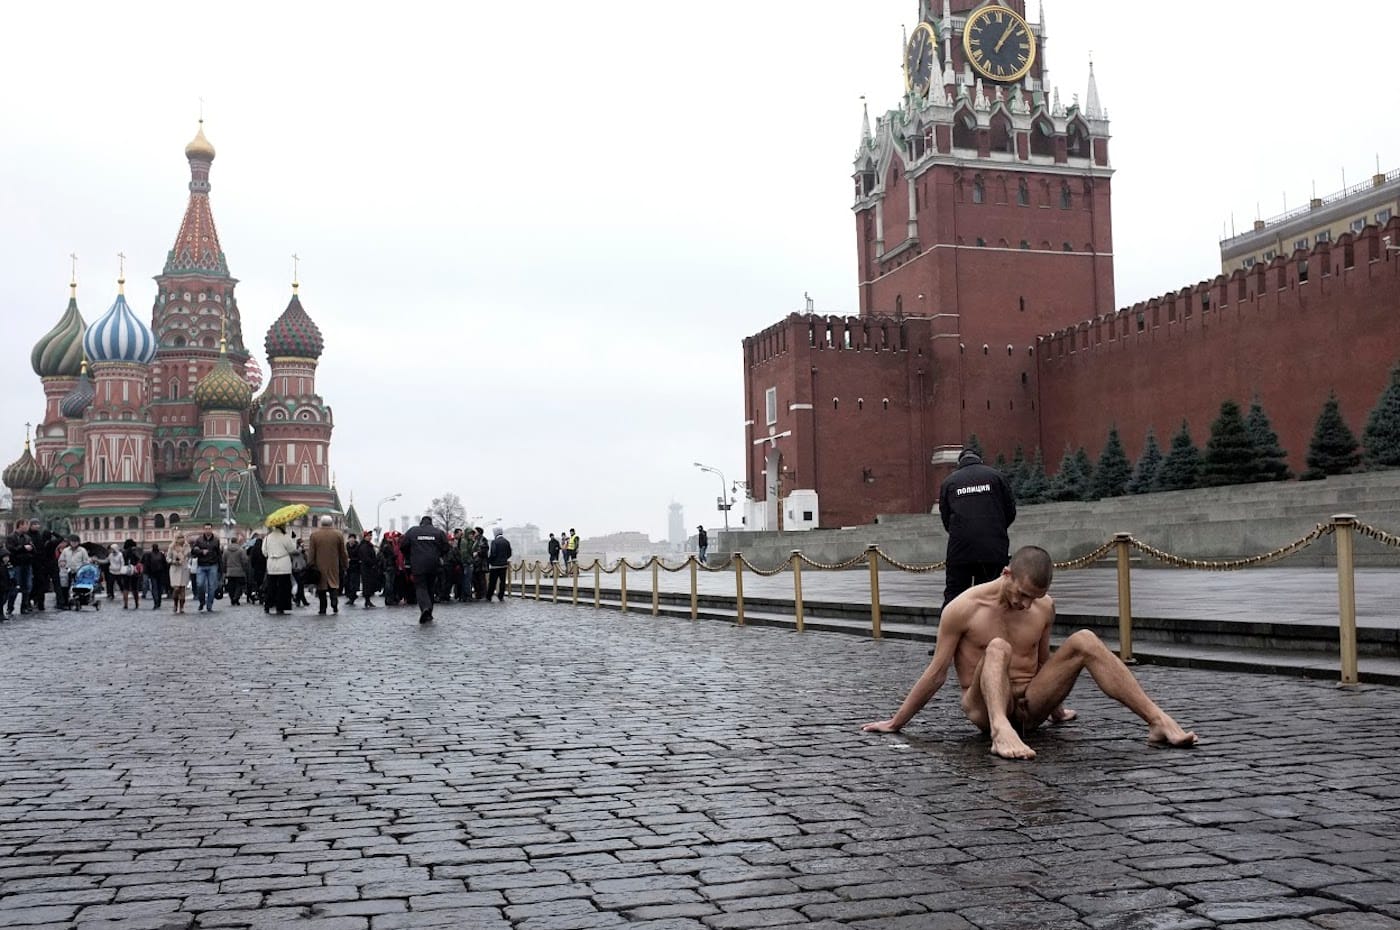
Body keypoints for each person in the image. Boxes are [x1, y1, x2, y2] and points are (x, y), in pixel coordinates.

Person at [862, 546, 1197, 760]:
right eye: (1021, 594)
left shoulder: (1043, 607)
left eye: (1033, 598)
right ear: (1006, 574)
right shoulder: (962, 609)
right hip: (985, 707)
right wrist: (896, 722)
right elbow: (937, 673)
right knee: (997, 646)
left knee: (1085, 639)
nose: (1025, 604)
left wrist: (1057, 711)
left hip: (1031, 704)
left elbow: (1042, 664)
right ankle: (1000, 732)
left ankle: (1158, 721)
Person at [938, 450, 1017, 610]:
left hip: (960, 550)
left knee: (955, 596)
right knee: (993, 595)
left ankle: (951, 632)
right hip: (993, 549)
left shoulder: (949, 482)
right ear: (980, 460)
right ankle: (992, 632)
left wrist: (961, 533)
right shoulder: (997, 477)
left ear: (960, 463)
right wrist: (995, 529)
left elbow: (946, 517)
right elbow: (1010, 511)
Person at [402, 516, 449, 623]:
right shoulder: (438, 532)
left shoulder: (413, 531)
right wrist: (438, 554)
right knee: (430, 587)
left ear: (421, 523)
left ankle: (425, 608)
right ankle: (429, 612)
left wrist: (410, 555)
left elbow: (403, 545)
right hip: (433, 564)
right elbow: (446, 547)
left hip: (418, 564)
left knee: (420, 587)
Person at [308, 515, 349, 615]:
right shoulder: (338, 535)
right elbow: (343, 552)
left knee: (322, 588)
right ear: (331, 523)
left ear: (321, 523)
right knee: (333, 586)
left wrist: (310, 564)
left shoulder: (314, 535)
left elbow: (311, 552)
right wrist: (345, 564)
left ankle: (323, 608)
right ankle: (334, 604)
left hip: (319, 566)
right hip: (333, 566)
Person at [262, 525, 297, 615]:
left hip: (271, 564)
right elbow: (292, 549)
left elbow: (264, 551)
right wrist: (293, 540)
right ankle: (281, 606)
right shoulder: (285, 537)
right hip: (283, 564)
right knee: (283, 587)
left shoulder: (267, 537)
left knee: (271, 586)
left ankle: (268, 605)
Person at [5, 520, 36, 615]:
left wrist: (30, 549)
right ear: (20, 525)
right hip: (16, 564)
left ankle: (24, 607)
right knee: (14, 587)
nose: (27, 527)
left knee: (27, 586)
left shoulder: (27, 537)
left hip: (27, 564)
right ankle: (10, 607)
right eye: (26, 525)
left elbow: (34, 549)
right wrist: (23, 548)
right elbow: (10, 549)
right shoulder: (11, 537)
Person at [190, 523, 223, 613]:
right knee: (200, 584)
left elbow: (219, 554)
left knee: (212, 587)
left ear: (212, 529)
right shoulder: (199, 540)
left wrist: (221, 568)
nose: (208, 530)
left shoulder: (216, 540)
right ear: (203, 529)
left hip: (213, 565)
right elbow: (193, 551)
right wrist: (201, 552)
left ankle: (209, 605)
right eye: (206, 529)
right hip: (201, 566)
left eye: (209, 528)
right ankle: (202, 601)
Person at [221, 536, 251, 606]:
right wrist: (245, 569)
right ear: (237, 541)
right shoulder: (241, 550)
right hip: (239, 571)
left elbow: (223, 561)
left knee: (231, 586)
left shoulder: (226, 551)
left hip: (229, 572)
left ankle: (232, 598)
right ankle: (236, 598)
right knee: (239, 585)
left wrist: (225, 570)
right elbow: (245, 561)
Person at [486, 526, 512, 602]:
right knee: (502, 581)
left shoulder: (494, 542)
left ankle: (489, 595)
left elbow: (493, 553)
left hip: (495, 566)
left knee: (492, 582)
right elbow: (509, 553)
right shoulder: (506, 542)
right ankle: (501, 595)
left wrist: (489, 561)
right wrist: (504, 559)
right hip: (504, 565)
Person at [355, 531, 379, 608]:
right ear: (365, 537)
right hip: (366, 567)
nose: (370, 537)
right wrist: (372, 563)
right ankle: (367, 600)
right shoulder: (364, 546)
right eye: (368, 536)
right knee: (367, 584)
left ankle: (368, 600)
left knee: (369, 584)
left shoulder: (368, 545)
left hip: (369, 568)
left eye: (371, 536)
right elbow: (366, 558)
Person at [167, 536, 190, 615]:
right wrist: (173, 561)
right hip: (175, 570)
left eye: (182, 538)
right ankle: (175, 604)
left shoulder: (186, 547)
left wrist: (181, 553)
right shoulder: (171, 547)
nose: (181, 540)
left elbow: (187, 556)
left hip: (183, 569)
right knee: (176, 588)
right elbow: (168, 558)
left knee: (183, 588)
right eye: (179, 538)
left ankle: (182, 607)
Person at [142, 543, 169, 610]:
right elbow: (165, 565)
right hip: (158, 573)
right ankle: (158, 602)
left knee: (155, 588)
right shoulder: (161, 555)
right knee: (158, 588)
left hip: (154, 574)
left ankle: (156, 602)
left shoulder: (150, 555)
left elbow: (147, 565)